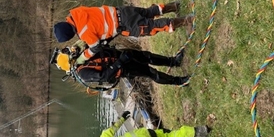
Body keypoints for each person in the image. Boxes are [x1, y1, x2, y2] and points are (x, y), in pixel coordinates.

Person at [53, 1, 193, 65]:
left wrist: (82, 57)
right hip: (121, 11)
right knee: (147, 12)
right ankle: (174, 6)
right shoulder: (77, 12)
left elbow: (95, 46)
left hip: (124, 25)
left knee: (152, 27)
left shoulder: (84, 33)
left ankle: (187, 21)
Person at [50, 42, 190, 90]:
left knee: (147, 56)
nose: (71, 51)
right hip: (123, 67)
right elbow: (104, 76)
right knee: (150, 72)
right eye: (69, 53)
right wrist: (120, 62)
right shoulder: (82, 73)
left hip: (119, 54)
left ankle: (173, 61)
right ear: (70, 61)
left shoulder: (81, 56)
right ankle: (179, 81)